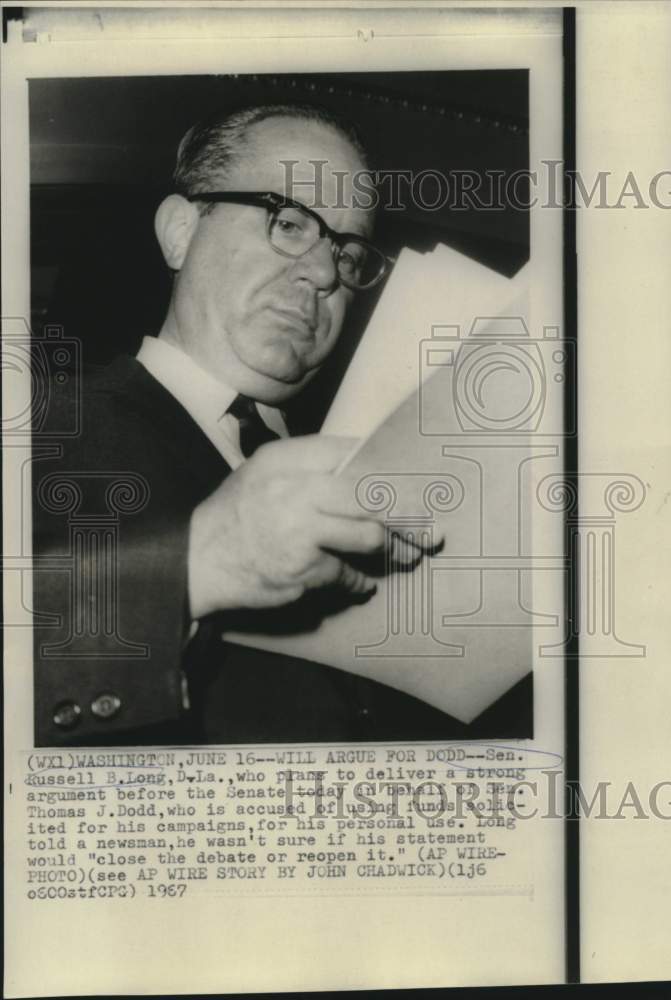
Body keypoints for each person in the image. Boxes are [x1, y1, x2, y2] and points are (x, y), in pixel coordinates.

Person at [33, 102, 531, 746]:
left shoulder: (379, 463)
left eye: (348, 253)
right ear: (180, 230)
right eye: (289, 221)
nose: (325, 274)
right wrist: (198, 566)